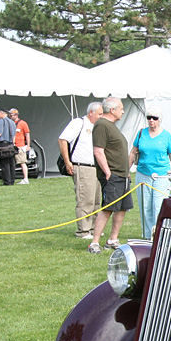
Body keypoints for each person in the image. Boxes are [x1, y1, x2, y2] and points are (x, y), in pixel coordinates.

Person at [130, 106, 171, 238]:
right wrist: (126, 170)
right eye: (149, 118)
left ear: (159, 120)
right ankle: (147, 235)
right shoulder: (141, 133)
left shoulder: (166, 136)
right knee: (145, 207)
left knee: (158, 206)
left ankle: (159, 234)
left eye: (155, 118)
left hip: (162, 175)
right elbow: (133, 152)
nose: (151, 120)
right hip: (143, 174)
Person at [89, 97, 131, 254]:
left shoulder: (112, 126)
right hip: (113, 175)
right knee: (108, 208)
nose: (123, 111)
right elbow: (98, 151)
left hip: (123, 175)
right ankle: (94, 243)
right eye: (121, 108)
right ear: (112, 110)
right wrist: (108, 173)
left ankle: (112, 239)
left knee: (122, 208)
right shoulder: (101, 125)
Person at [59, 102, 103, 240]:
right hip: (83, 166)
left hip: (97, 167)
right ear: (91, 112)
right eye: (100, 114)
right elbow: (63, 139)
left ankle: (94, 227)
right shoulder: (79, 123)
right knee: (85, 199)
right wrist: (67, 161)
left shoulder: (98, 126)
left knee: (96, 200)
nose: (102, 117)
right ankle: (83, 231)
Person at [0, 109, 17, 185]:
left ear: (2, 113)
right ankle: (12, 181)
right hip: (11, 144)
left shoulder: (1, 121)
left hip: (4, 144)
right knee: (12, 164)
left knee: (5, 164)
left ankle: (6, 181)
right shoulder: (12, 122)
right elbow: (14, 135)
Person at [10, 108, 31, 184]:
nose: (10, 116)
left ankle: (26, 178)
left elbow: (27, 134)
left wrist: (28, 145)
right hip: (12, 146)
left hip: (20, 146)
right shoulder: (10, 123)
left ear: (16, 115)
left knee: (22, 162)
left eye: (11, 115)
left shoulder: (23, 123)